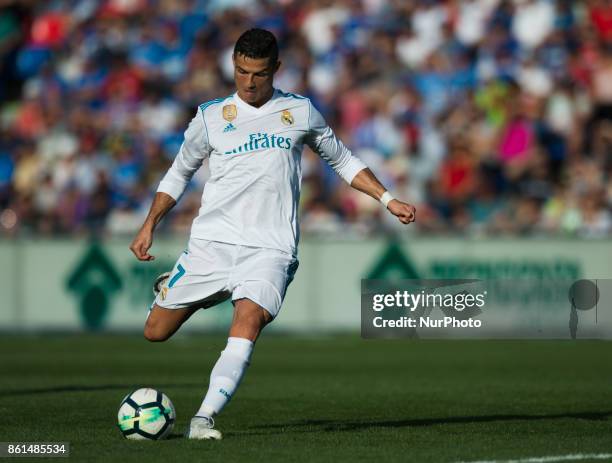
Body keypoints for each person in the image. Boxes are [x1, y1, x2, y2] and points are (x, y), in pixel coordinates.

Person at [129, 28, 416, 440]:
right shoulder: (211, 116)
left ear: (276, 69)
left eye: (258, 73)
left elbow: (343, 160)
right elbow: (180, 171)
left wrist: (388, 199)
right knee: (155, 332)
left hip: (271, 246)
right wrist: (149, 223)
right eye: (241, 71)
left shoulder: (300, 112)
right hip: (213, 242)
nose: (248, 82)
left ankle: (203, 418)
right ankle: (208, 290)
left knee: (249, 318)